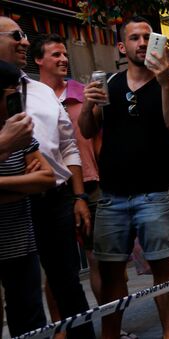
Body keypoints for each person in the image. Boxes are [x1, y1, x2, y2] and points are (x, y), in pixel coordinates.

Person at [79, 16, 169, 338]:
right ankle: (110, 334)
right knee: (112, 274)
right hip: (112, 195)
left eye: (146, 37)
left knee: (162, 270)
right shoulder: (110, 84)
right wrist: (87, 105)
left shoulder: (167, 82)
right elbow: (86, 130)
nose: (141, 43)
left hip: (154, 193)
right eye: (134, 38)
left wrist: (165, 81)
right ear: (122, 46)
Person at [0, 16, 97, 338]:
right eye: (17, 35)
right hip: (7, 209)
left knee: (66, 283)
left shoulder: (40, 92)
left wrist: (79, 196)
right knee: (21, 297)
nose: (25, 42)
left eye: (26, 36)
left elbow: (68, 147)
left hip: (52, 200)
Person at [31, 33, 105, 334]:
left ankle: (108, 322)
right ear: (39, 60)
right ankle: (61, 327)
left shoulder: (81, 91)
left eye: (65, 54)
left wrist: (91, 105)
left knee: (96, 258)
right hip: (47, 189)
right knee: (58, 270)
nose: (63, 60)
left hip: (88, 183)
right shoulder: (31, 95)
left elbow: (89, 138)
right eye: (55, 55)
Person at [0, 59, 55, 338]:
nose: (17, 103)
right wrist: (4, 145)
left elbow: (46, 179)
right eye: (11, 95)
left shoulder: (22, 132)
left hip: (22, 242)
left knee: (31, 321)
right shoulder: (12, 135)